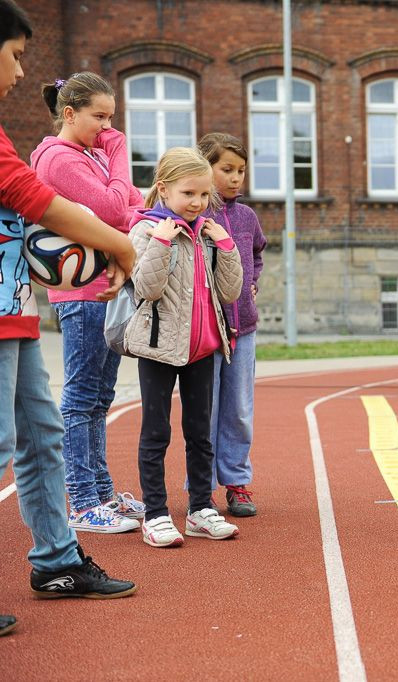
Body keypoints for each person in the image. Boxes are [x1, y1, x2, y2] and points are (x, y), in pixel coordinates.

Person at [1, 0, 137, 631]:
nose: (24, 73)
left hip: (16, 307)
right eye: (17, 54)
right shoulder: (47, 153)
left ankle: (56, 559)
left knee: (41, 435)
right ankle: (68, 535)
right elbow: (43, 203)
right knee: (10, 438)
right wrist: (119, 245)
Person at [31, 71, 146, 533]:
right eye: (99, 117)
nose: (108, 129)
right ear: (70, 113)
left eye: (112, 119)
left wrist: (120, 195)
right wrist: (118, 157)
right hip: (83, 292)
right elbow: (120, 211)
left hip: (106, 287)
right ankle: (81, 501)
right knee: (81, 398)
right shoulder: (60, 160)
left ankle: (99, 491)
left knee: (100, 397)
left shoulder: (88, 156)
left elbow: (136, 205)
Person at [125, 147, 243, 546]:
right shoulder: (145, 230)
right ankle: (155, 514)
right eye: (188, 194)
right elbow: (146, 287)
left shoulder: (207, 234)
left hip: (202, 349)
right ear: (163, 190)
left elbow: (230, 292)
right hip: (158, 348)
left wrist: (226, 247)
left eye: (204, 195)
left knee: (200, 433)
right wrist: (160, 242)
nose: (197, 203)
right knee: (156, 432)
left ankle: (199, 509)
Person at [197, 133, 267, 517]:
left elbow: (257, 252)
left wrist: (253, 281)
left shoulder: (246, 216)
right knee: (204, 411)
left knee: (239, 409)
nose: (236, 177)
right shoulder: (195, 213)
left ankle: (237, 482)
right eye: (226, 169)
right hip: (206, 330)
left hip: (244, 330)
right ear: (205, 168)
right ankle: (201, 487)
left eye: (241, 170)